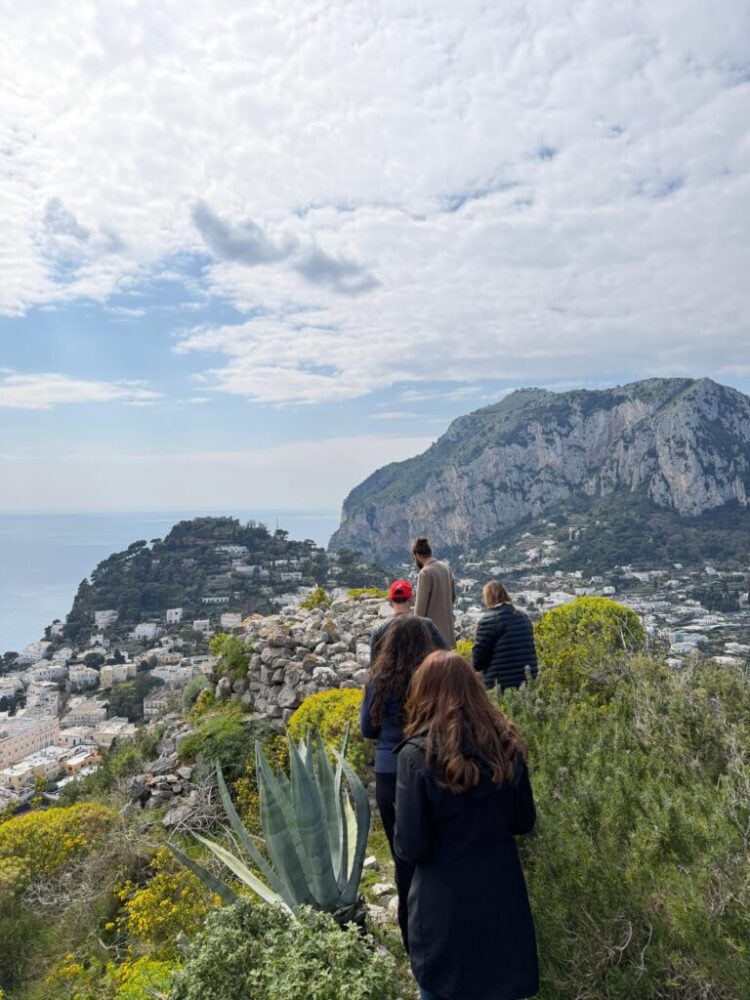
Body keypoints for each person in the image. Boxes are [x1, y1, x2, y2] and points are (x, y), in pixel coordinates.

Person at [395, 651, 539, 1000]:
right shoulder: (506, 747)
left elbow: (411, 846)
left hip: (443, 913)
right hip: (502, 901)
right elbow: (524, 821)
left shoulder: (416, 757)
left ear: (422, 692)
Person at [360, 615, 440, 951]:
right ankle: (437, 925)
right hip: (429, 766)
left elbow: (368, 729)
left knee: (402, 857)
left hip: (390, 772)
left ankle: (412, 939)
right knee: (433, 851)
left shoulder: (379, 678)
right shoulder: (433, 677)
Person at [472, 580, 538, 690]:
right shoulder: (524, 616)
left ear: (488, 598)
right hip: (528, 678)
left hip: (501, 682)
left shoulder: (489, 620)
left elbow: (477, 662)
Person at [369, 579, 448, 660]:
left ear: (390, 601)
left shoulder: (378, 630)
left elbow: (373, 666)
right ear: (410, 600)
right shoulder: (427, 624)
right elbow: (446, 652)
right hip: (422, 672)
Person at [412, 536, 456, 648]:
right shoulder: (446, 567)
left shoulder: (425, 573)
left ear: (417, 555)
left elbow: (420, 610)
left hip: (432, 637)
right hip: (448, 633)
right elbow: (453, 597)